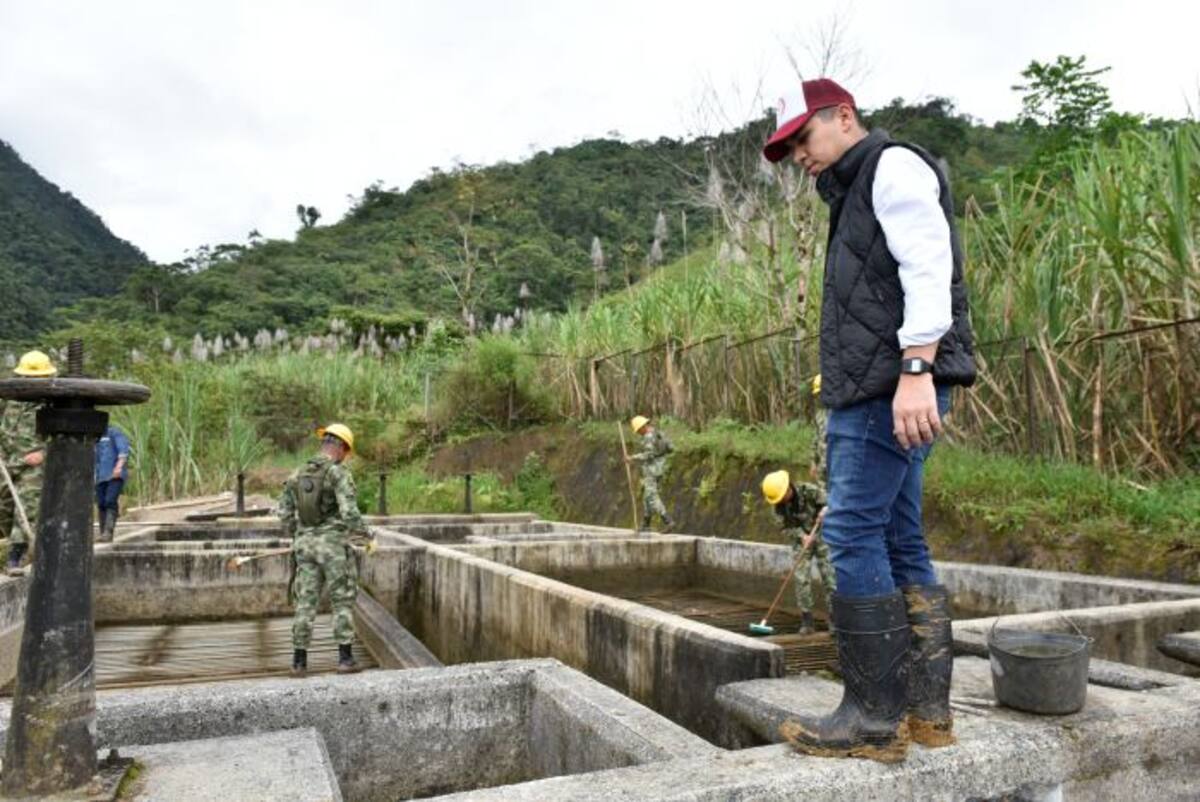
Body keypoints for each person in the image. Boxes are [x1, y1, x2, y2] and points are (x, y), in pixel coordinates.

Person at [762, 78, 976, 762]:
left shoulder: (890, 166)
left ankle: (870, 719)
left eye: (803, 138)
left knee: (853, 533)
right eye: (789, 146)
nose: (799, 154)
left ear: (843, 117)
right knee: (898, 534)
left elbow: (928, 267)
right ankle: (926, 714)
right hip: (885, 386)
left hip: (890, 389)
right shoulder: (855, 188)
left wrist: (916, 370)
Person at [276, 423, 373, 677]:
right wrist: (365, 535)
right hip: (332, 548)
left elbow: (284, 514)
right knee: (341, 599)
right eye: (347, 451)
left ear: (324, 443)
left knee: (305, 602)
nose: (345, 456)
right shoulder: (337, 473)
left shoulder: (297, 474)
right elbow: (350, 513)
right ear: (341, 448)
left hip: (305, 547)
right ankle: (345, 659)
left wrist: (301, 534)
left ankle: (298, 663)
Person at [761, 468, 834, 634]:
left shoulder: (809, 491)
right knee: (801, 578)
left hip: (823, 534)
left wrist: (826, 510)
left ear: (788, 488)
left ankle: (835, 618)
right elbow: (784, 528)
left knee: (830, 576)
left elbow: (831, 501)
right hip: (801, 541)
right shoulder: (777, 507)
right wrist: (801, 536)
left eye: (782, 496)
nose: (780, 501)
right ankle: (807, 621)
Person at [2, 351, 53, 575]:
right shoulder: (10, 399)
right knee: (3, 508)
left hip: (31, 464)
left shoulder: (50, 405)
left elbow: (61, 437)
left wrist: (44, 453)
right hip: (6, 462)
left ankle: (16, 556)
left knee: (27, 508)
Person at [626, 415, 674, 532]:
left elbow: (649, 454)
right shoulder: (658, 433)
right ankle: (646, 524)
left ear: (642, 427)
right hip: (660, 468)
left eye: (638, 431)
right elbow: (671, 448)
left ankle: (668, 520)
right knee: (647, 496)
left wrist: (632, 458)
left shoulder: (648, 437)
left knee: (652, 496)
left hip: (652, 471)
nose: (638, 433)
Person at [94, 423, 131, 543]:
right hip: (100, 477)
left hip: (114, 475)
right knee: (101, 503)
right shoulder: (95, 437)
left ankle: (108, 532)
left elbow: (123, 450)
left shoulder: (113, 432)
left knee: (110, 500)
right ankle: (102, 533)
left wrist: (119, 467)